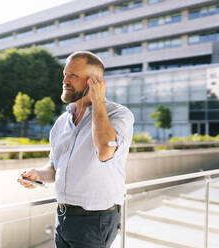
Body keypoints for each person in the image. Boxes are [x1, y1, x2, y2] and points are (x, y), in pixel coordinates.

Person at [17, 51, 134, 248]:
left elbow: (106, 150)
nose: (65, 80)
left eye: (73, 75)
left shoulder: (119, 115)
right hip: (62, 217)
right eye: (65, 74)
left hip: (95, 220)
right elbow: (55, 168)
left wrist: (97, 102)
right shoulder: (62, 122)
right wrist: (37, 174)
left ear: (93, 82)